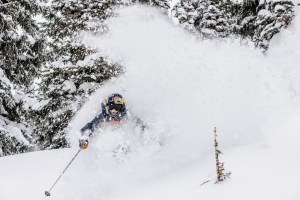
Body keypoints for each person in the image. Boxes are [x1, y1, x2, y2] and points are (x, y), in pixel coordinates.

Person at [79, 93, 143, 149]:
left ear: (121, 107)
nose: (114, 110)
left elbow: (137, 123)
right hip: (106, 143)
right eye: (112, 107)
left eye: (117, 107)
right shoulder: (104, 116)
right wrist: (84, 138)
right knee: (100, 124)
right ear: (107, 106)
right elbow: (91, 125)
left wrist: (142, 130)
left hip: (124, 142)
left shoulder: (126, 115)